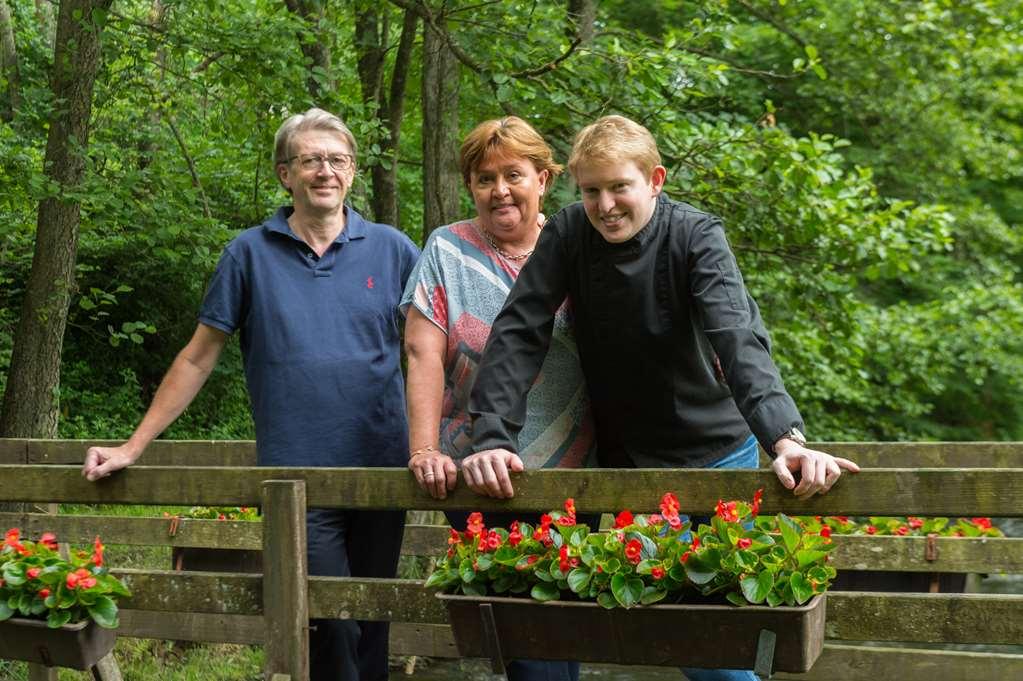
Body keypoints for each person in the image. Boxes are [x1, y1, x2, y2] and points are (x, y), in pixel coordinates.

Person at [466, 115, 860, 681]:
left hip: (716, 452)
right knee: (671, 637)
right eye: (592, 190)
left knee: (717, 648)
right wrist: (492, 436)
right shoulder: (569, 232)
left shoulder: (696, 235)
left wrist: (784, 438)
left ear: (654, 179)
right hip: (629, 464)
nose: (605, 205)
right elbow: (518, 329)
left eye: (619, 187)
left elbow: (737, 336)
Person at [81, 108, 420, 681]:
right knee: (328, 622)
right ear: (285, 173)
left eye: (337, 160)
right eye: (310, 160)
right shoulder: (248, 253)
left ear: (354, 171)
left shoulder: (392, 249)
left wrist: (450, 438)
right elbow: (198, 355)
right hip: (296, 480)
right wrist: (131, 447)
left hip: (381, 467)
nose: (325, 171)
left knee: (371, 621)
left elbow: (428, 352)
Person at [401, 116, 598, 681]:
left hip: (577, 474)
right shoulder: (447, 248)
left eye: (515, 174)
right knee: (522, 640)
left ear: (544, 178)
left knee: (566, 626)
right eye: (485, 178)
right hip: (478, 469)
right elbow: (422, 355)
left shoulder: (578, 244)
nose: (500, 190)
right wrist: (423, 450)